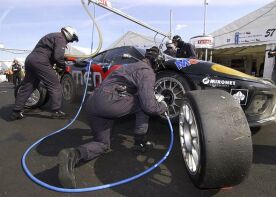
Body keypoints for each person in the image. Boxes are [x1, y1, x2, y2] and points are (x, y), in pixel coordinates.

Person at [57, 46, 168, 188]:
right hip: (109, 103)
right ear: (157, 62)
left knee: (102, 144)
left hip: (92, 102)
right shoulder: (147, 72)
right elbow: (149, 107)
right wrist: (162, 105)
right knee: (143, 105)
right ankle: (139, 142)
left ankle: (73, 155)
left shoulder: (127, 66)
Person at [9, 26, 79, 120]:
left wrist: (67, 59)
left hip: (30, 60)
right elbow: (58, 57)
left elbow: (51, 53)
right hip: (40, 62)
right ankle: (56, 111)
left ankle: (16, 111)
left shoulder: (53, 36)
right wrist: (63, 66)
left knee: (28, 86)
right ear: (69, 34)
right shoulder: (60, 38)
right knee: (55, 85)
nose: (70, 42)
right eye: (71, 40)